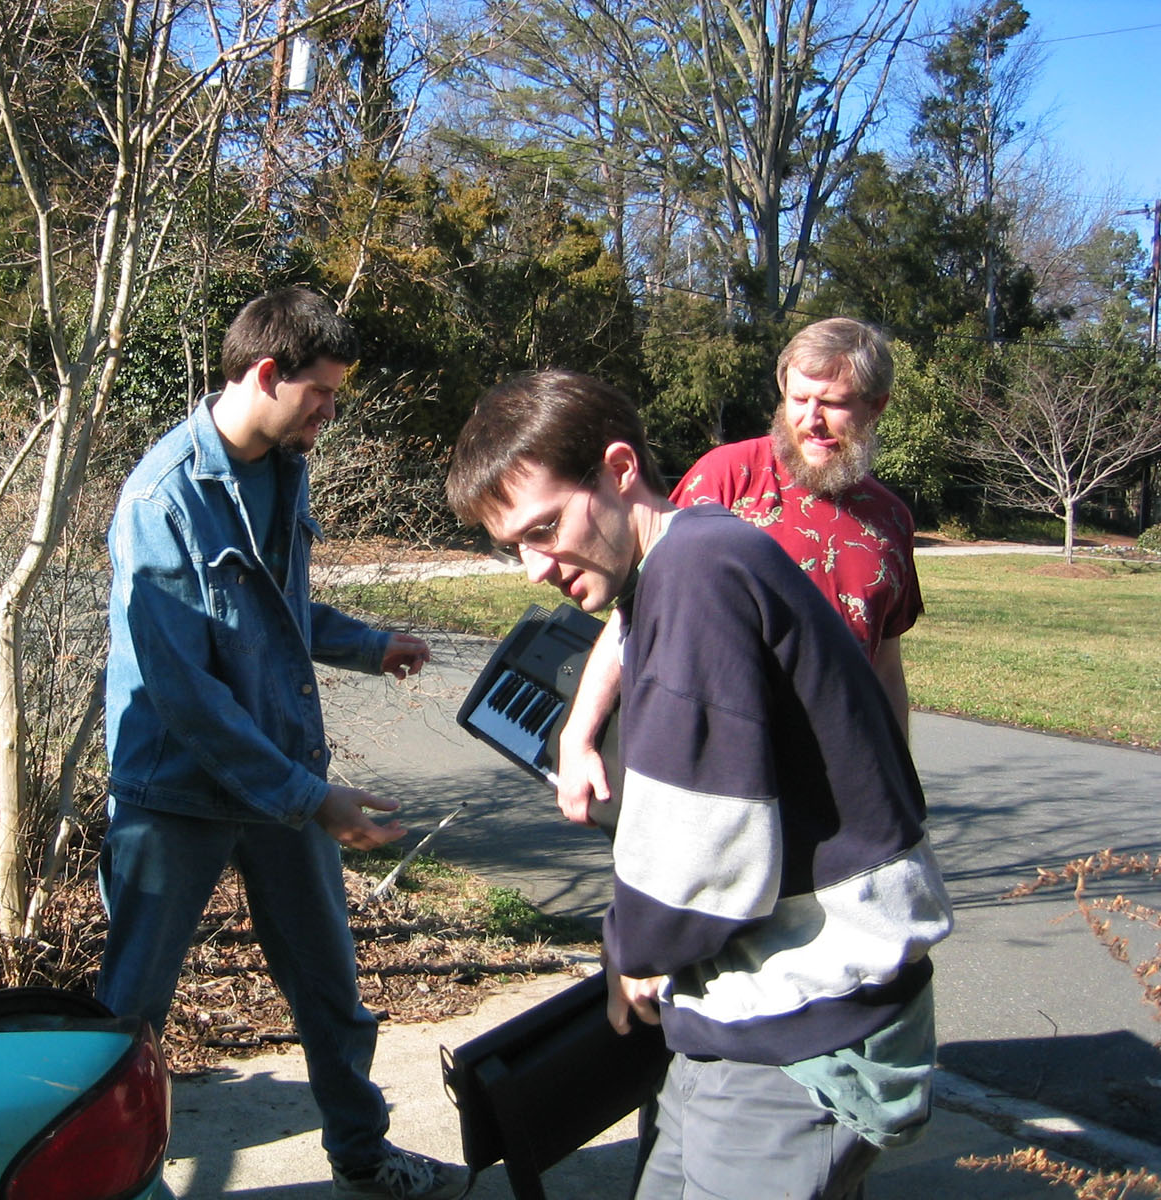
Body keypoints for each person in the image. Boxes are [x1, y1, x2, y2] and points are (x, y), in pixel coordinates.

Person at [445, 369, 953, 1200]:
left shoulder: (696, 571)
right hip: (739, 1005)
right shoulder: (679, 560)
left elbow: (706, 849)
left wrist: (634, 949)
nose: (534, 568)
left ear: (619, 470)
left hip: (802, 1024)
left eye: (545, 528)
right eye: (515, 547)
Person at [99, 287, 470, 1200]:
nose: (330, 413)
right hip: (175, 792)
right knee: (131, 1012)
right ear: (267, 373)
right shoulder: (161, 498)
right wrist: (314, 801)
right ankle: (110, 1180)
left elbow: (275, 610)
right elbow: (186, 695)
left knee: (331, 992)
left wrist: (369, 644)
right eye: (323, 394)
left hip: (278, 781)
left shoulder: (282, 466)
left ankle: (363, 1157)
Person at [555, 317, 920, 827]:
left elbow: (883, 663)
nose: (811, 419)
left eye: (833, 403)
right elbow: (635, 615)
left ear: (876, 405)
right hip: (715, 776)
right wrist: (578, 738)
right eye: (798, 399)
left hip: (829, 789)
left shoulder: (891, 521)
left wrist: (896, 780)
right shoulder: (728, 477)